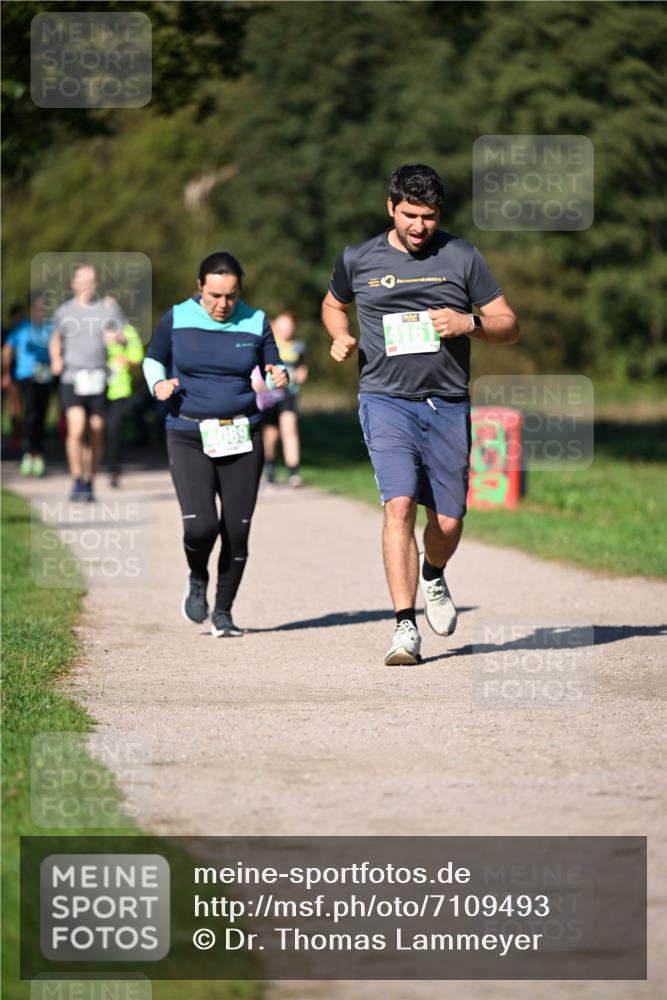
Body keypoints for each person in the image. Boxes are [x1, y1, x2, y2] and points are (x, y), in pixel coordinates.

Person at [321, 163, 519, 666]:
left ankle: (434, 571)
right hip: (384, 400)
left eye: (428, 217)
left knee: (448, 522)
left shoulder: (462, 256)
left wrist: (468, 321)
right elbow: (332, 304)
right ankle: (404, 628)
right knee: (399, 505)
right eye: (409, 214)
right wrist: (339, 335)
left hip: (448, 403)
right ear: (391, 207)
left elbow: (508, 325)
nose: (418, 226)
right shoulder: (357, 258)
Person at [143, 252, 288, 637]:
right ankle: (196, 577)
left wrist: (279, 375)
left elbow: (274, 367)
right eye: (214, 296)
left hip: (243, 434)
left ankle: (223, 611)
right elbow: (153, 359)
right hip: (188, 433)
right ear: (199, 286)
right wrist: (158, 384)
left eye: (231, 295)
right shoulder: (176, 317)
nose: (223, 305)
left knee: (237, 531)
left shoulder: (255, 320)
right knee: (200, 526)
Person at [49, 264, 125, 502]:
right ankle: (76, 479)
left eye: (90, 280)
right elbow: (55, 338)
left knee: (96, 429)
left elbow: (124, 338)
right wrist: (56, 359)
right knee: (77, 427)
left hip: (97, 377)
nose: (86, 285)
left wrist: (116, 339)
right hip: (73, 376)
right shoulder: (64, 311)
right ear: (73, 283)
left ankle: (90, 479)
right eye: (81, 280)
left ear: (95, 284)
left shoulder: (108, 309)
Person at [1, 292, 53, 476]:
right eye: (38, 307)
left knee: (41, 417)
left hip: (46, 377)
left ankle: (38, 454)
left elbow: (58, 348)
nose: (41, 311)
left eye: (44, 307)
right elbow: (7, 350)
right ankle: (28, 453)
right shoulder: (22, 328)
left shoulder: (50, 327)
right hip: (26, 376)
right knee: (30, 414)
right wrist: (6, 373)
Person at [257, 312, 308, 486]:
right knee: (270, 434)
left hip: (289, 394)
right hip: (269, 396)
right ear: (275, 327)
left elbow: (302, 366)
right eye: (282, 327)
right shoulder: (269, 344)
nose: (286, 331)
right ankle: (269, 465)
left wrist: (302, 373)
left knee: (290, 429)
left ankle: (293, 471)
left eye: (289, 327)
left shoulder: (298, 346)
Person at [103, 297, 145, 487]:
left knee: (114, 429)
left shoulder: (128, 332)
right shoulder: (92, 330)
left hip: (119, 388)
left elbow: (137, 358)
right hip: (95, 387)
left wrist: (124, 346)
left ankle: (114, 469)